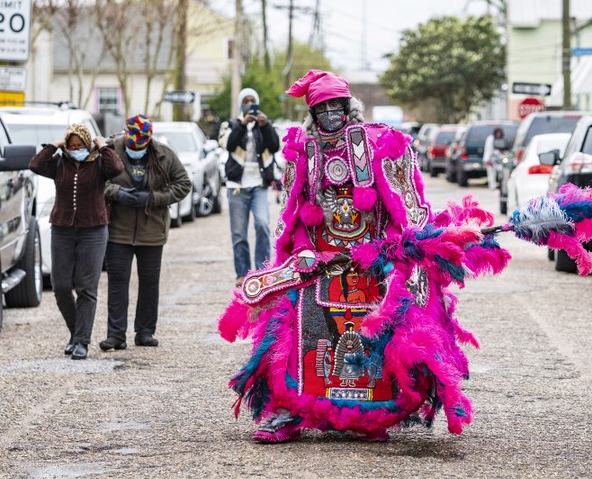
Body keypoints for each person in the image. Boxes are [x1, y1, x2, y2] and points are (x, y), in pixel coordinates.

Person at [218, 70, 516, 443]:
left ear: (349, 108)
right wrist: (306, 251)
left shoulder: (379, 146)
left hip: (372, 261)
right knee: (291, 325)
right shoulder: (303, 152)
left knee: (383, 330)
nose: (329, 114)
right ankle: (290, 410)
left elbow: (402, 215)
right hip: (319, 260)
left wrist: (385, 249)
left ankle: (367, 417)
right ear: (312, 114)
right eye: (321, 108)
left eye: (335, 106)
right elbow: (293, 215)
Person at [29, 123, 124, 360]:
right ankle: (75, 333)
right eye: (71, 146)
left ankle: (82, 341)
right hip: (62, 228)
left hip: (93, 230)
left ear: (87, 143)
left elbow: (117, 168)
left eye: (79, 145)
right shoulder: (59, 163)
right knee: (60, 287)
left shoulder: (100, 163)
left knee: (86, 287)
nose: (76, 149)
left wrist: (103, 146)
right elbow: (35, 164)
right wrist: (54, 145)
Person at [100, 114, 191, 351]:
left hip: (152, 229)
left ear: (149, 139)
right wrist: (116, 192)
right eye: (132, 141)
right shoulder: (110, 150)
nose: (135, 146)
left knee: (149, 282)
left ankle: (145, 331)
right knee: (118, 282)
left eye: (141, 143)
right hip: (118, 228)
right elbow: (97, 181)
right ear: (126, 134)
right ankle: (116, 335)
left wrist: (153, 198)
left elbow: (183, 184)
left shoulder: (164, 154)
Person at [220, 87, 280, 287]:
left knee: (263, 224)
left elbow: (274, 147)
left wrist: (265, 126)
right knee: (239, 232)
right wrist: (241, 125)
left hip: (259, 184)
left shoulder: (265, 124)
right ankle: (243, 274)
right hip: (237, 185)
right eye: (245, 100)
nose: (248, 104)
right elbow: (227, 145)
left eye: (252, 100)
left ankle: (262, 272)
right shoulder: (230, 124)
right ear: (240, 104)